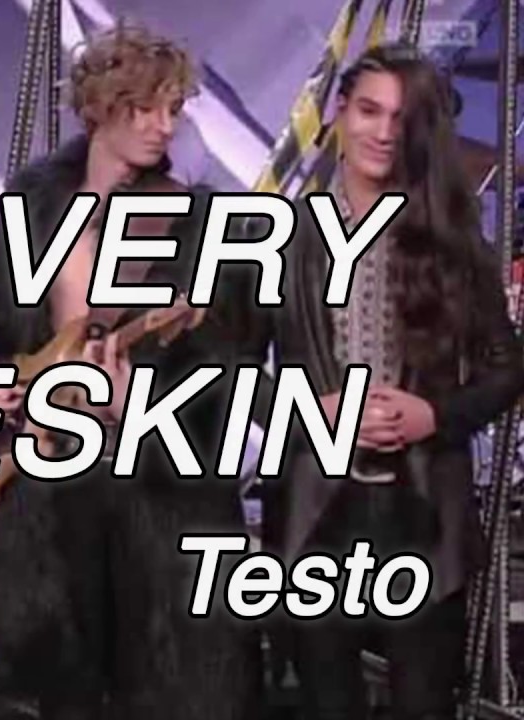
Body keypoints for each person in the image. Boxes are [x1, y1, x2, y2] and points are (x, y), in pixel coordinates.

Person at [0, 22, 262, 719]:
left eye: (172, 109)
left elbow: (234, 378)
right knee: (60, 696)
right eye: (142, 107)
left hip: (164, 507)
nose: (162, 126)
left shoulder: (204, 225)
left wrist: (141, 405)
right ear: (97, 107)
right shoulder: (33, 204)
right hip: (51, 506)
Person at [223, 43, 524, 720]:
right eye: (369, 110)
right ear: (338, 112)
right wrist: (309, 409)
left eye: (400, 117)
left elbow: (507, 365)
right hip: (315, 514)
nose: (383, 132)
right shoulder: (278, 238)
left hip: (424, 515)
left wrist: (434, 415)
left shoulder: (450, 239)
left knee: (424, 704)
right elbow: (230, 368)